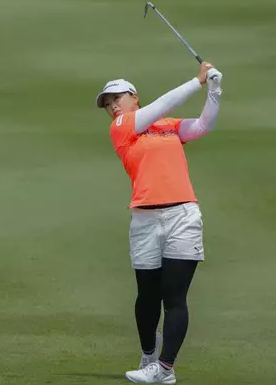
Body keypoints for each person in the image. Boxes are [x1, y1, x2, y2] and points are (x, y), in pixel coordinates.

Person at [95, 62, 223, 384]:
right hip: (145, 219)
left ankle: (164, 368)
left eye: (117, 98)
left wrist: (214, 91)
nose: (112, 106)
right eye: (107, 103)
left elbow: (203, 126)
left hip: (183, 215)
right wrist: (197, 82)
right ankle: (149, 355)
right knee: (147, 295)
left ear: (133, 96)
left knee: (174, 296)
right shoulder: (121, 127)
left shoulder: (167, 126)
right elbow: (161, 104)